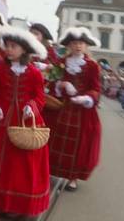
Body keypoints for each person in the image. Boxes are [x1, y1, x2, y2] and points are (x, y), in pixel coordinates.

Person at [0, 25, 50, 217]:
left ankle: (15, 204)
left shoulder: (34, 73)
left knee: (18, 165)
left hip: (23, 122)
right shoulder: (0, 70)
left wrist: (31, 106)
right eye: (7, 45)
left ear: (24, 49)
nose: (8, 49)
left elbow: (40, 97)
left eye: (13, 46)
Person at [47, 27, 102, 191]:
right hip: (62, 107)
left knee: (79, 143)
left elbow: (96, 88)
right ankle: (51, 170)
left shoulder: (92, 66)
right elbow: (52, 81)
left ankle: (73, 177)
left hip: (81, 111)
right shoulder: (61, 63)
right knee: (55, 138)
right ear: (69, 45)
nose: (78, 46)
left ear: (86, 46)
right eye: (74, 43)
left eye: (81, 43)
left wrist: (86, 98)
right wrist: (62, 84)